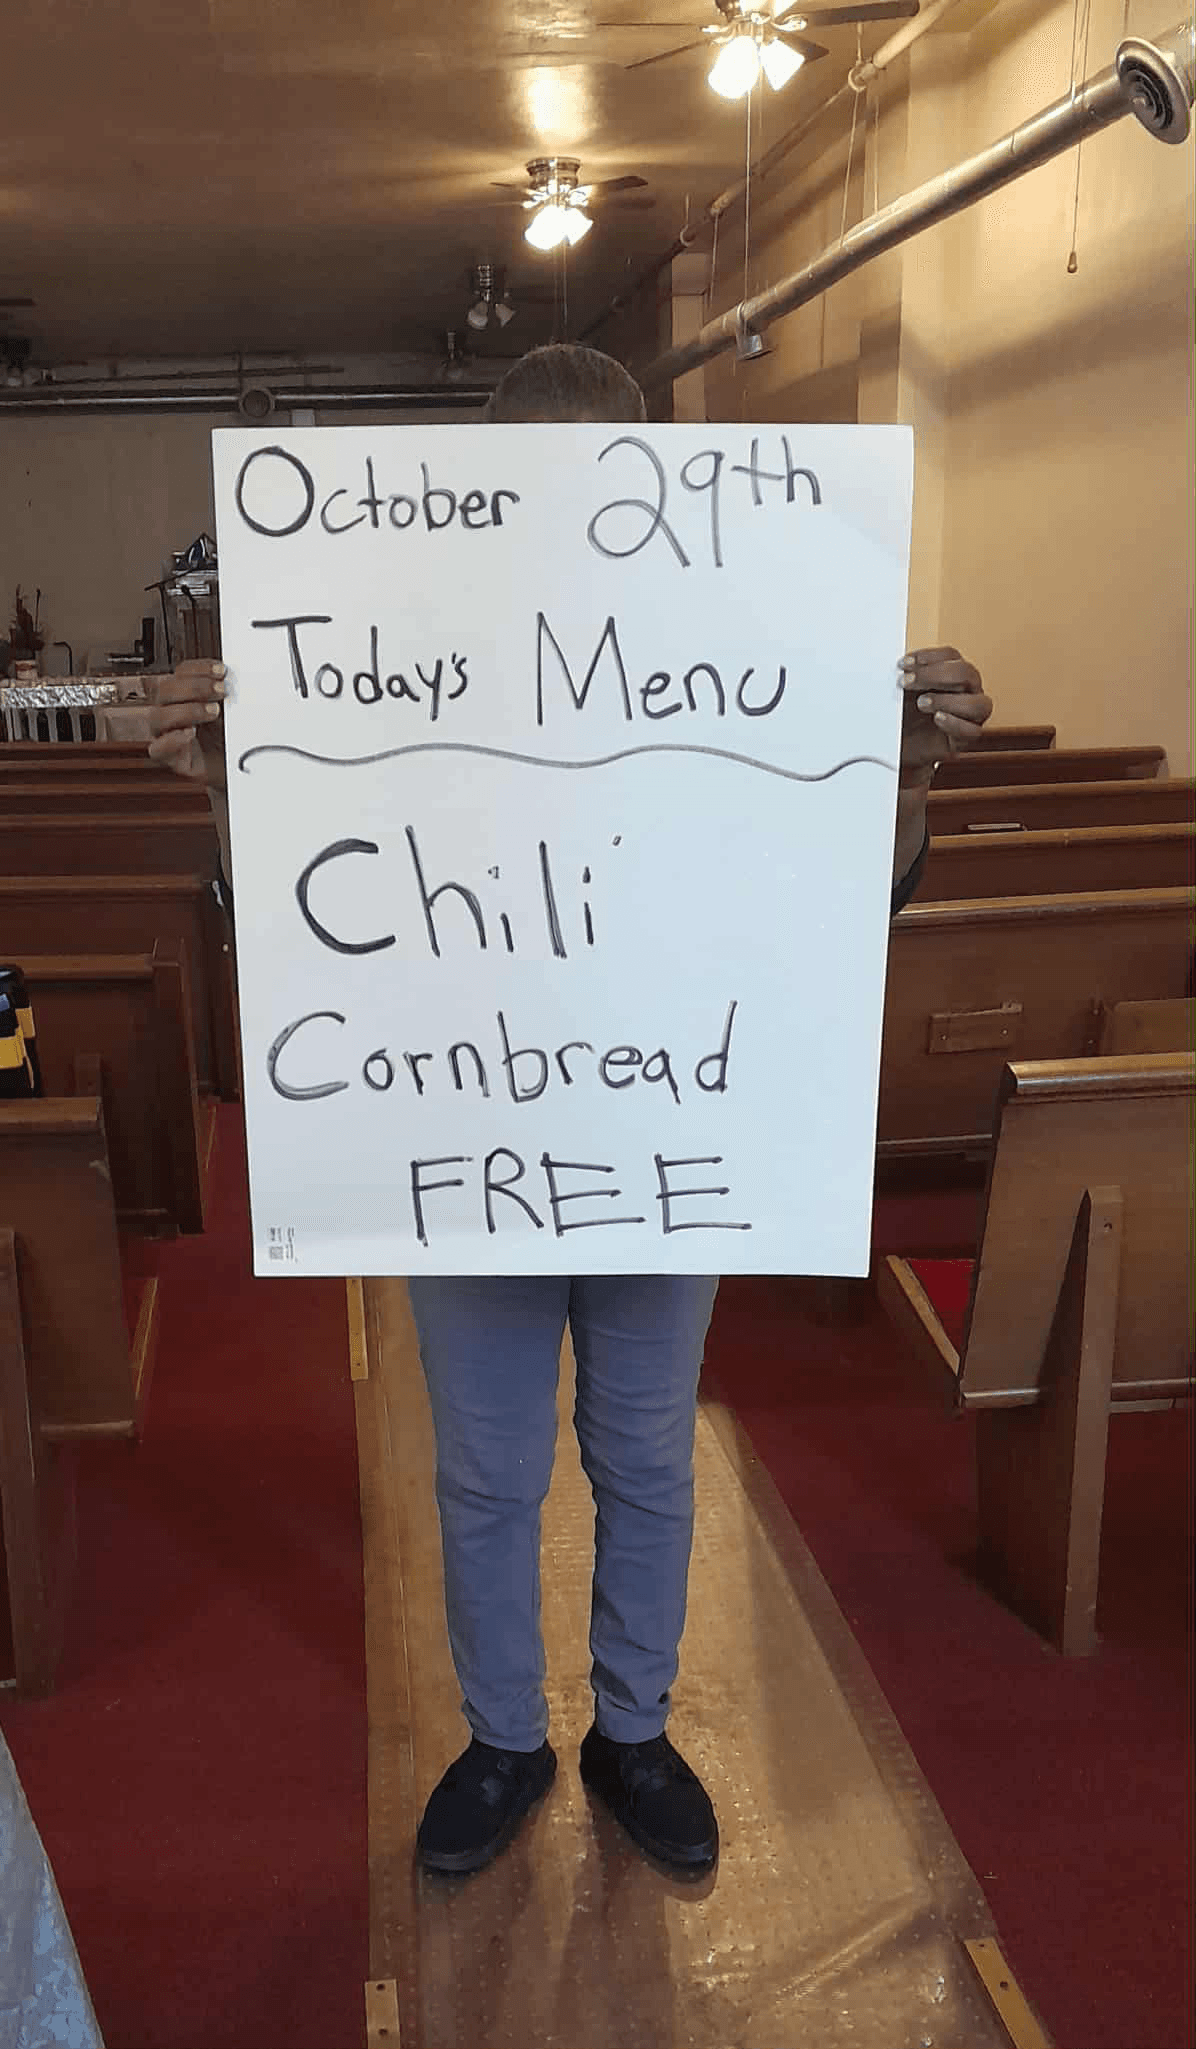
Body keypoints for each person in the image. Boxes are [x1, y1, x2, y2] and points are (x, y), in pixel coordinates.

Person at [148, 343, 992, 1879]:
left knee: (648, 1455)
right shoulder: (409, 652)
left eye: (602, 477)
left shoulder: (727, 638)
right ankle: (501, 1739)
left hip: (667, 1138)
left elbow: (826, 905)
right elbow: (313, 911)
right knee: (482, 1471)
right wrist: (233, 784)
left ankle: (632, 1726)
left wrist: (905, 776)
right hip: (465, 1138)